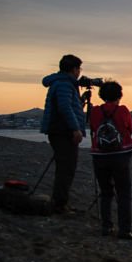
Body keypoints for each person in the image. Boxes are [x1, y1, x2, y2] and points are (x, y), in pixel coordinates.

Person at [88, 81, 132, 241]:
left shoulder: (95, 111)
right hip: (120, 156)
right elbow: (129, 129)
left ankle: (106, 226)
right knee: (123, 193)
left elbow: (93, 128)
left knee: (105, 192)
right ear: (119, 95)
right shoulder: (123, 110)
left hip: (100, 155)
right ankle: (124, 229)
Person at [40, 54, 85, 213]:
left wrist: (81, 101)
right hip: (62, 131)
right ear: (74, 69)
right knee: (66, 168)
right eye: (79, 68)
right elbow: (65, 108)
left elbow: (69, 106)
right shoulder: (65, 84)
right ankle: (60, 204)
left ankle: (60, 201)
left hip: (59, 130)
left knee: (64, 167)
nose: (79, 72)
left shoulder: (61, 82)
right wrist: (76, 129)